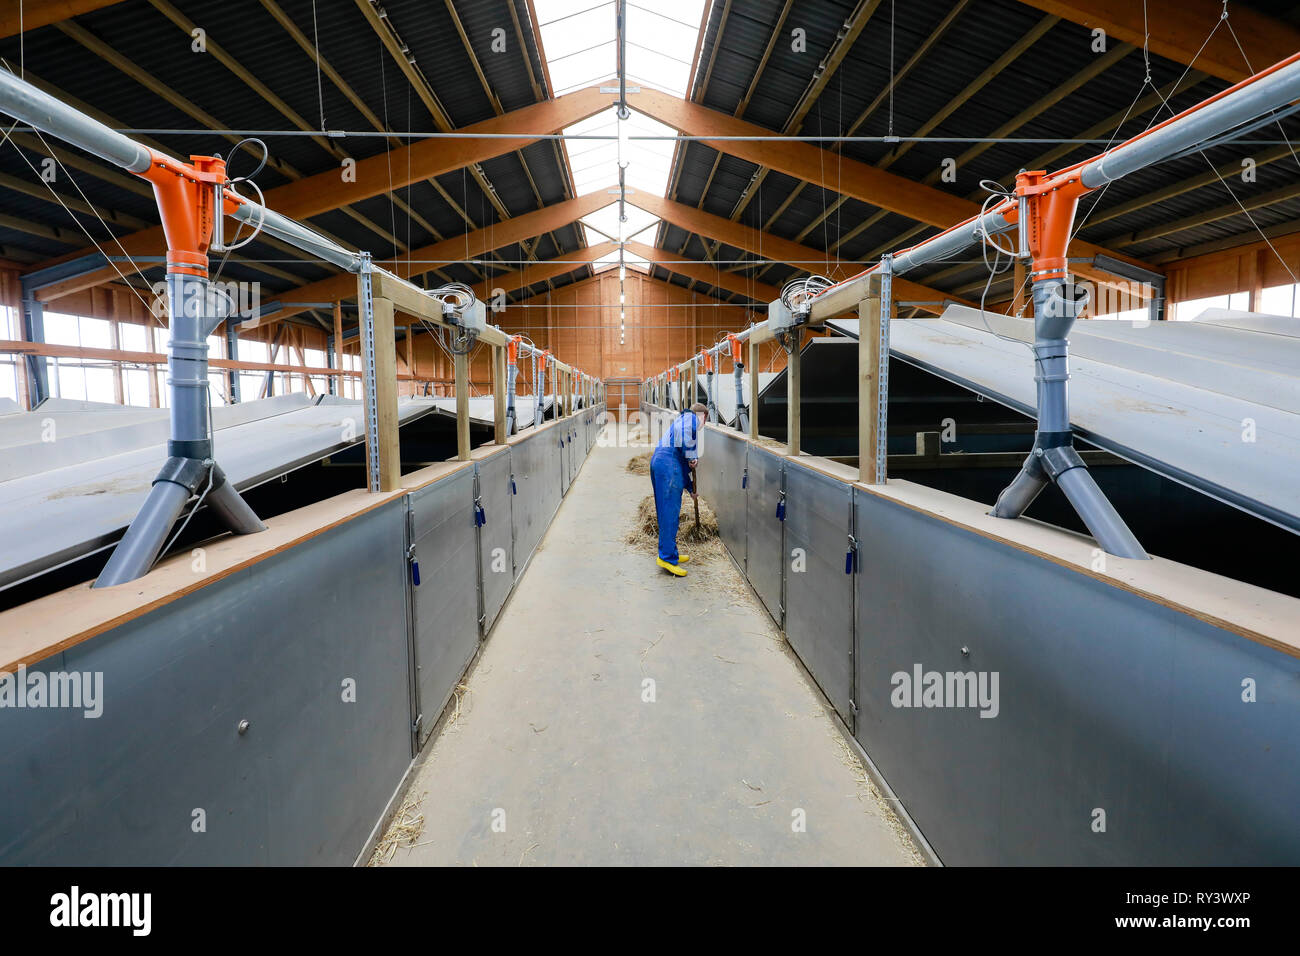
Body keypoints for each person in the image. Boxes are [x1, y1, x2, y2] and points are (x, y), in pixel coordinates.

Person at [649, 402, 707, 576]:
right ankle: (666, 558)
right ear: (703, 416)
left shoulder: (682, 419)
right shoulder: (690, 418)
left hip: (664, 464)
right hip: (668, 466)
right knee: (670, 514)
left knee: (667, 512)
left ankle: (671, 552)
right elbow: (684, 448)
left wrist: (690, 488)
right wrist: (692, 455)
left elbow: (681, 466)